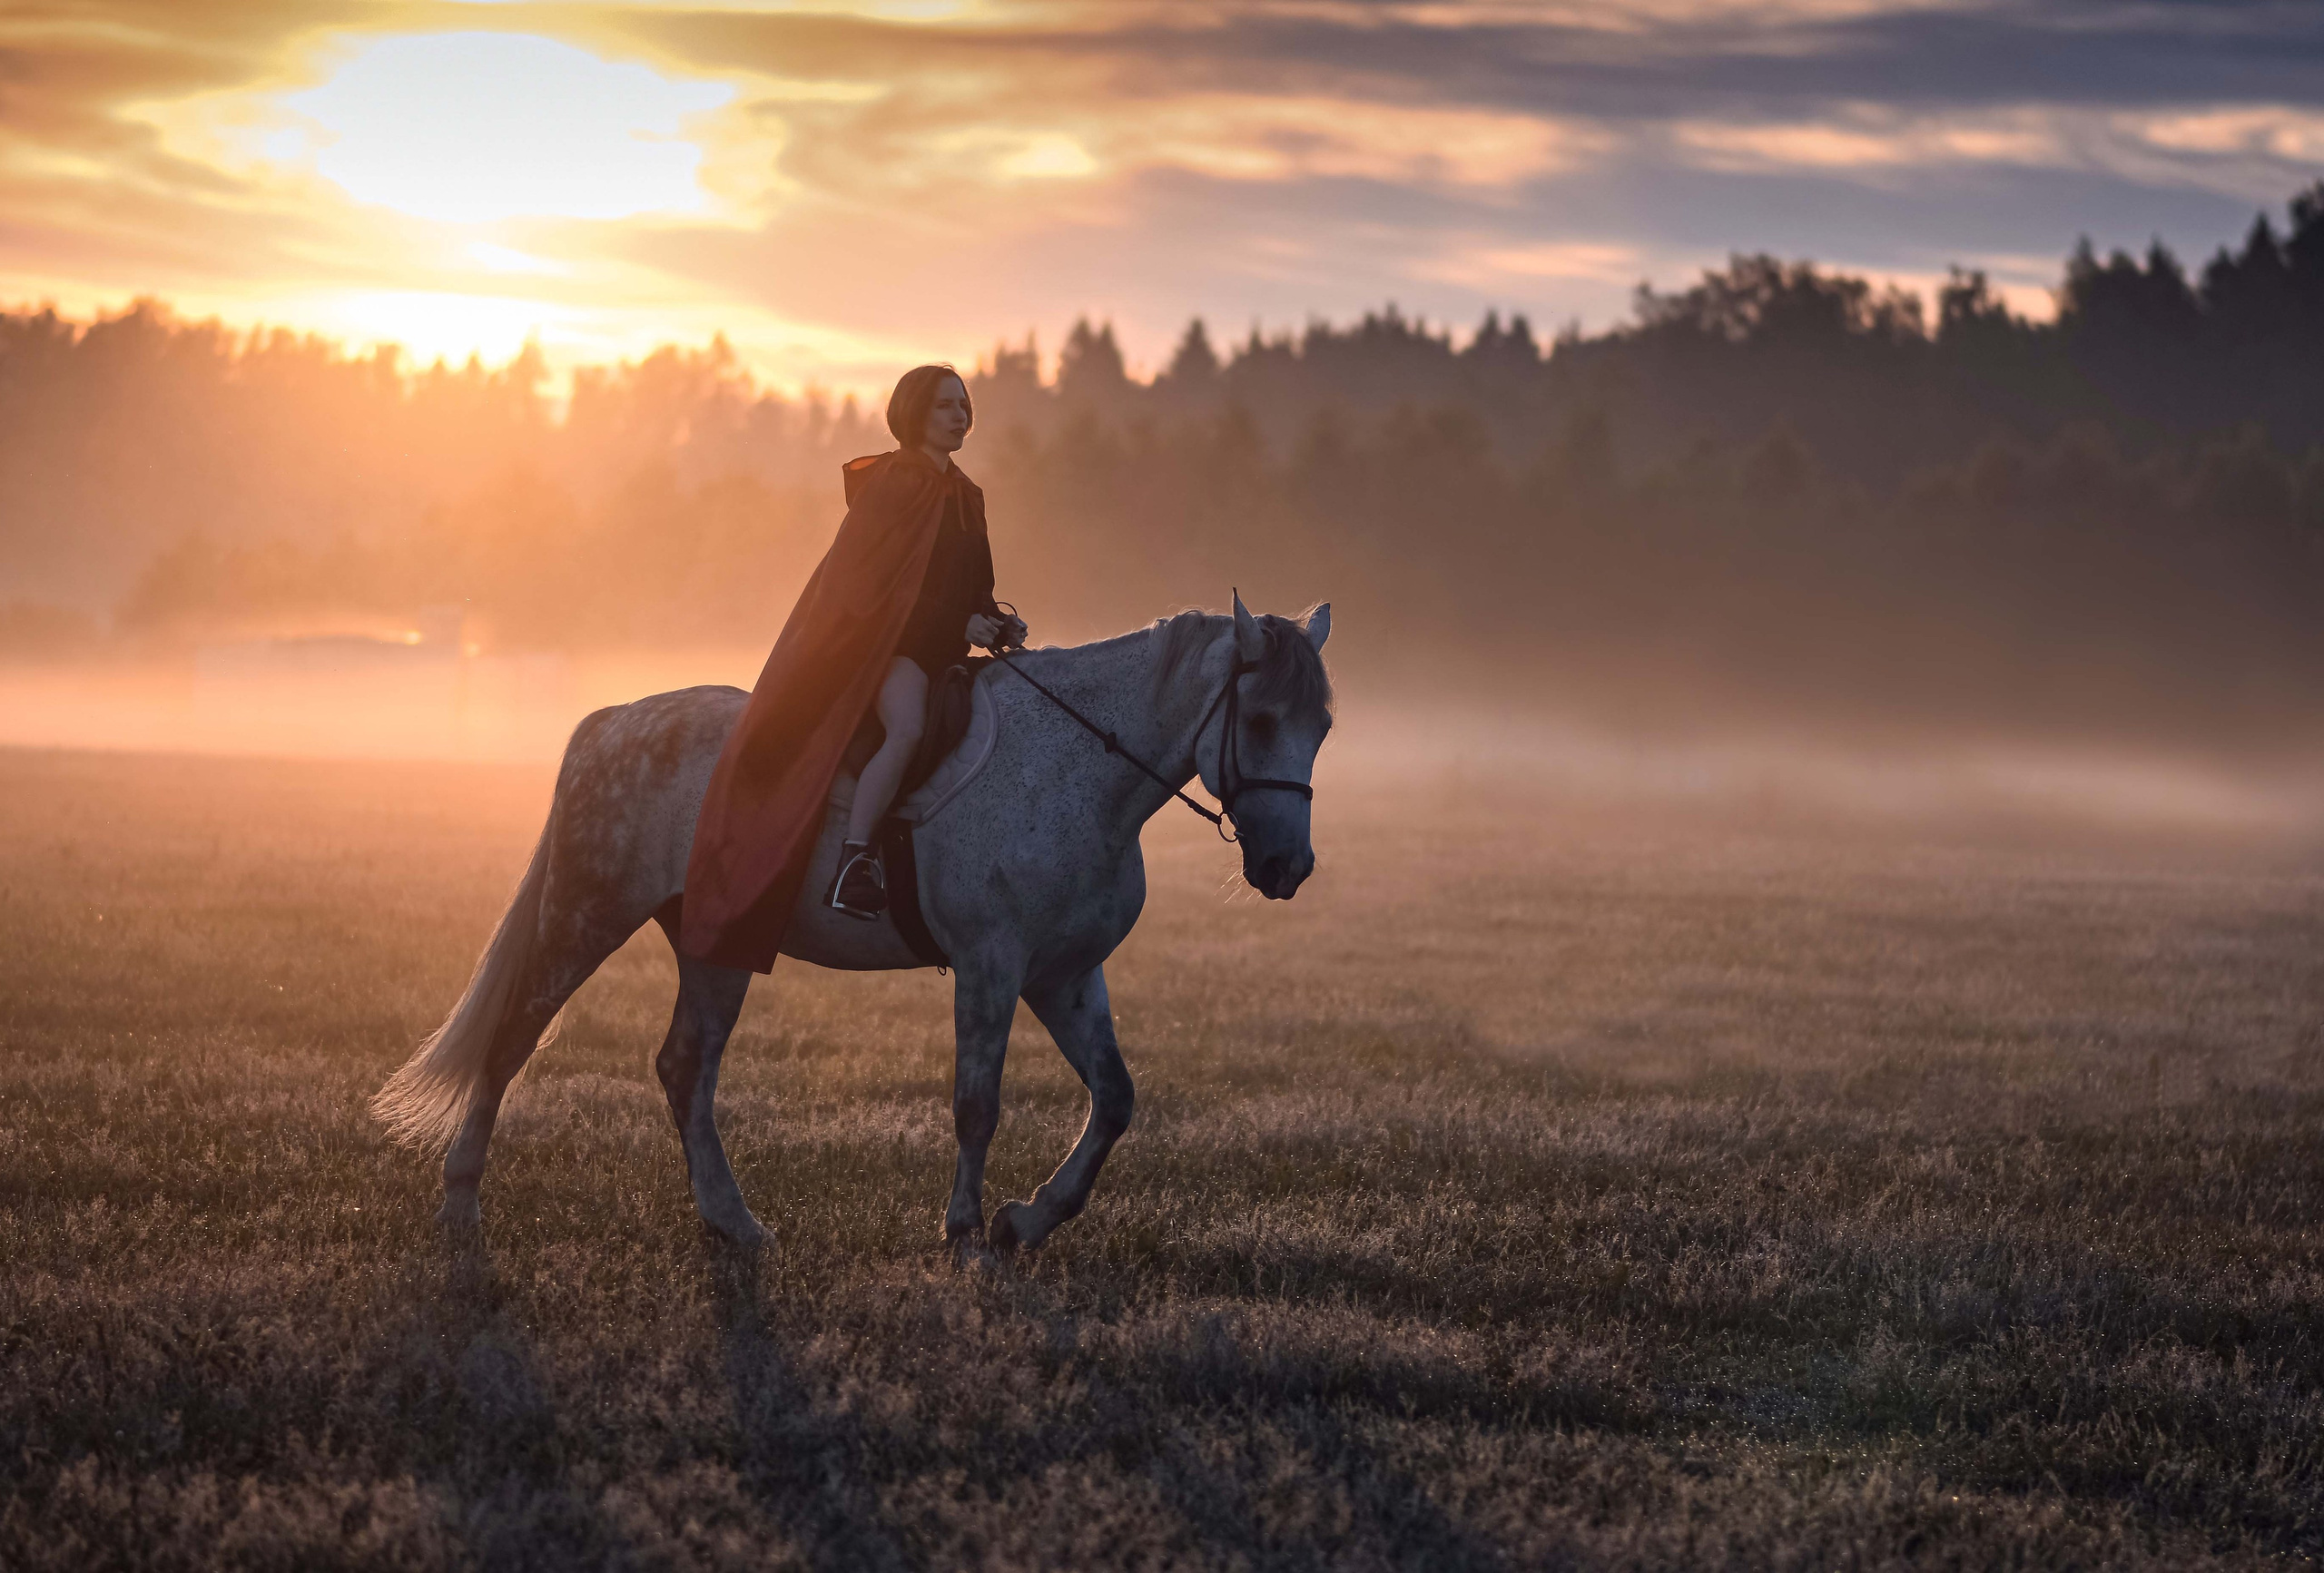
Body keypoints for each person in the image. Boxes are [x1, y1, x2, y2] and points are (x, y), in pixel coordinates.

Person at [679, 365, 1025, 969]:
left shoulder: (967, 493)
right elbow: (872, 591)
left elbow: (976, 585)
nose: (959, 414)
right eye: (945, 405)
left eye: (964, 404)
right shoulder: (892, 484)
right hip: (884, 649)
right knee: (908, 727)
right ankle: (854, 861)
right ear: (915, 413)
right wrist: (954, 627)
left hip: (945, 652)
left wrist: (995, 620)